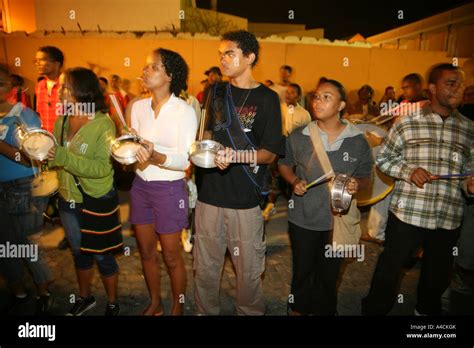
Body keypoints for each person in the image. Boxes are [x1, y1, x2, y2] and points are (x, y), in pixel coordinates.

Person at [362, 63, 474, 316]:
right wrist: (408, 171)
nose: (458, 88)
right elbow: (384, 159)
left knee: (438, 273)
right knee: (390, 269)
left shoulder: (469, 128)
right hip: (408, 214)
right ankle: (374, 311)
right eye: (450, 83)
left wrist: (469, 184)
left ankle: (426, 312)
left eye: (461, 83)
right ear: (432, 89)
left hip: (448, 217)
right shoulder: (407, 123)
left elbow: (469, 168)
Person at [193, 30, 285, 315]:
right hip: (210, 194)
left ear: (249, 57)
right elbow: (206, 135)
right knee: (205, 267)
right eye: (220, 54)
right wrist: (205, 154)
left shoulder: (268, 98)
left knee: (248, 270)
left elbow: (270, 152)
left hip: (246, 197)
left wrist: (236, 156)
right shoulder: (216, 92)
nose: (223, 59)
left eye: (230, 53)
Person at [278, 79, 373, 315]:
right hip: (304, 219)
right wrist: (294, 181)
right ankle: (298, 309)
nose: (318, 101)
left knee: (329, 275)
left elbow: (366, 178)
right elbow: (284, 164)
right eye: (316, 96)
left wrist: (356, 184)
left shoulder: (358, 140)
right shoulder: (299, 136)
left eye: (327, 97)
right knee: (302, 271)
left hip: (338, 222)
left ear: (341, 105)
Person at [48, 68, 122, 316]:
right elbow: (57, 160)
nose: (61, 92)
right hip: (67, 200)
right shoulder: (62, 121)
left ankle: (112, 303)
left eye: (66, 87)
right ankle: (85, 297)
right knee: (79, 253)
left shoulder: (103, 124)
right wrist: (43, 155)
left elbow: (102, 168)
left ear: (82, 91)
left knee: (102, 256)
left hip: (95, 199)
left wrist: (61, 156)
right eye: (61, 87)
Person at [129, 48, 197, 316]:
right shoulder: (137, 107)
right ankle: (155, 301)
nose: (145, 71)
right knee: (146, 252)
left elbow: (184, 160)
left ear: (169, 75)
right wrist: (125, 152)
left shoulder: (184, 111)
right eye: (145, 67)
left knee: (171, 255)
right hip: (140, 185)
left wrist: (155, 155)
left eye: (153, 67)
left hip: (169, 189)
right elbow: (132, 152)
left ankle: (178, 305)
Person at [0, 64, 54, 315]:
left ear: (11, 88)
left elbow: (32, 157)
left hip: (23, 188)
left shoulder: (24, 116)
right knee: (5, 243)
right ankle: (18, 290)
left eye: (0, 84)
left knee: (28, 243)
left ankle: (44, 292)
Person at [34, 46, 69, 250]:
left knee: (65, 191)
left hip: (63, 147)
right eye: (37, 60)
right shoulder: (39, 87)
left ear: (56, 63)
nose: (39, 63)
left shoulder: (67, 85)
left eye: (44, 60)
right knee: (46, 188)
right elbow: (39, 115)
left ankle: (69, 231)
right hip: (43, 146)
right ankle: (46, 223)